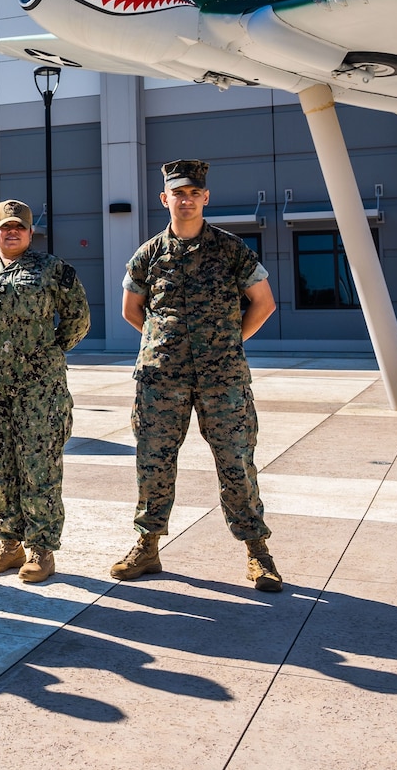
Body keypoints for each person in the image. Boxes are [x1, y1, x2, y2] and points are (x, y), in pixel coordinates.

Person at [112, 159, 283, 592]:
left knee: (236, 462)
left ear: (205, 198)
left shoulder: (231, 249)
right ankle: (147, 545)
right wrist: (162, 343)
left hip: (221, 378)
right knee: (154, 461)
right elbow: (131, 311)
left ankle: (257, 552)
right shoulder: (148, 254)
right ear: (164, 198)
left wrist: (229, 342)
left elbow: (263, 303)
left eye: (193, 193)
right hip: (161, 379)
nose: (185, 200)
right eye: (178, 193)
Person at [0, 200, 89, 584]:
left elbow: (78, 318)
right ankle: (9, 543)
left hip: (38, 388)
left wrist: (46, 354)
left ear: (31, 233)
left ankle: (42, 548)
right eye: (4, 227)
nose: (11, 232)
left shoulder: (53, 270)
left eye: (19, 227)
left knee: (39, 467)